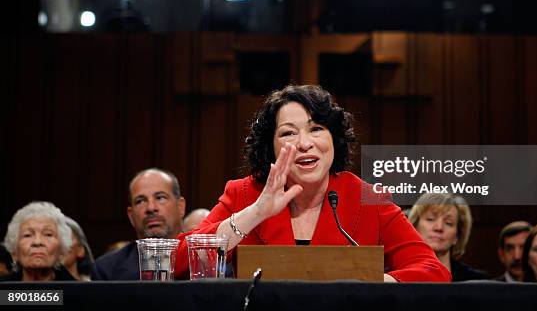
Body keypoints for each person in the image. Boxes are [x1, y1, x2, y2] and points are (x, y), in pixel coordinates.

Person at [175, 84, 450, 282]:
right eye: (288, 133)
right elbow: (177, 262)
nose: (305, 143)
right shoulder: (244, 193)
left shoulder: (370, 198)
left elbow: (433, 270)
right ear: (271, 147)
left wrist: (375, 284)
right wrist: (256, 212)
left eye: (316, 128)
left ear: (334, 139)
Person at [92, 168, 186, 280]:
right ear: (131, 216)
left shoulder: (204, 261)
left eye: (160, 198)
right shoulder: (106, 270)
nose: (151, 208)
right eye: (140, 201)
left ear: (180, 207)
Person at [409, 193, 489, 281]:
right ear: (414, 227)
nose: (439, 227)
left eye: (448, 223)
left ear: (457, 236)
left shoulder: (476, 280)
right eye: (430, 219)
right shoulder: (395, 275)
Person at [1, 201, 74, 281]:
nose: (37, 242)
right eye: (27, 235)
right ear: (14, 252)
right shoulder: (2, 291)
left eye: (48, 234)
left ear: (61, 251)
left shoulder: (80, 292)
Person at [62, 217, 95, 281]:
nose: (59, 244)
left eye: (65, 237)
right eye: (49, 236)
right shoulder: (39, 289)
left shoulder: (94, 287)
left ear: (80, 250)